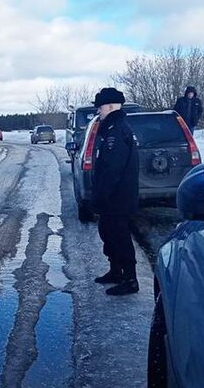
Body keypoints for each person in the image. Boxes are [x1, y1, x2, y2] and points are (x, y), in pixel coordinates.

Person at [91, 87, 140, 296]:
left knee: (119, 236)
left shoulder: (117, 131)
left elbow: (112, 169)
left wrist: (100, 196)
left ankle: (130, 279)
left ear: (110, 106)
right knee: (108, 232)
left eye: (100, 107)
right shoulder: (113, 128)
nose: (98, 111)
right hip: (115, 196)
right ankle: (116, 270)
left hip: (118, 197)